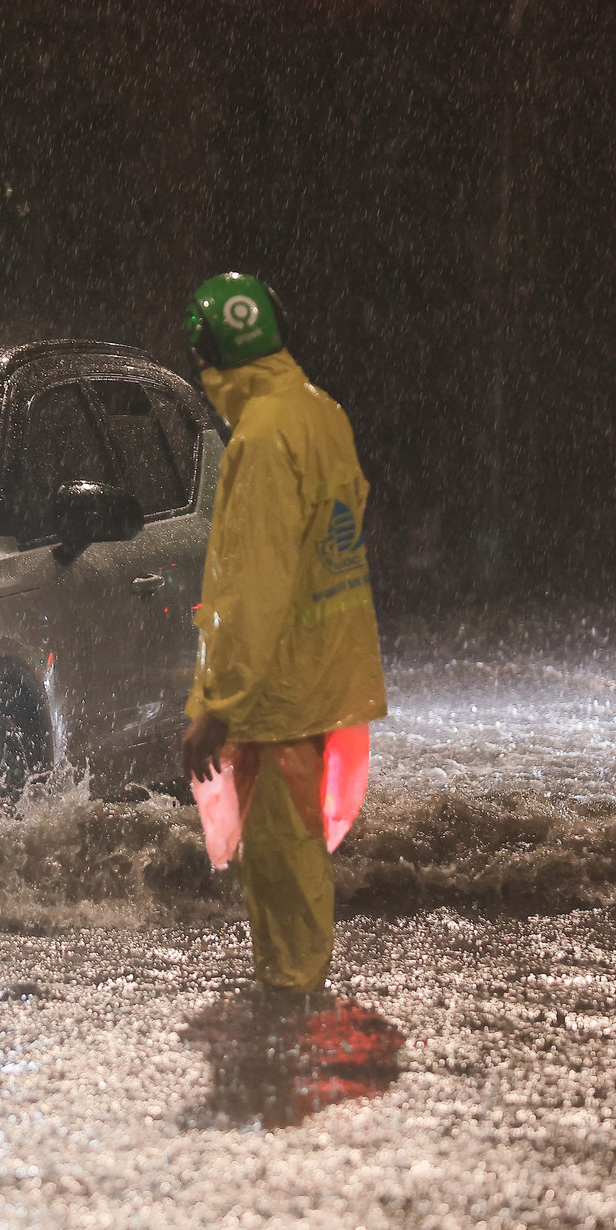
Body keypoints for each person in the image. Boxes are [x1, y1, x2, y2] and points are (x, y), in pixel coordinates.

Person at [180, 273, 387, 997]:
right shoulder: (321, 414)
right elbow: (341, 526)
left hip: (276, 689)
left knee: (279, 854)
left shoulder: (263, 437)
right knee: (289, 848)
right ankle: (292, 993)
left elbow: (254, 579)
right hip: (323, 670)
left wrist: (222, 701)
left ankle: (293, 1003)